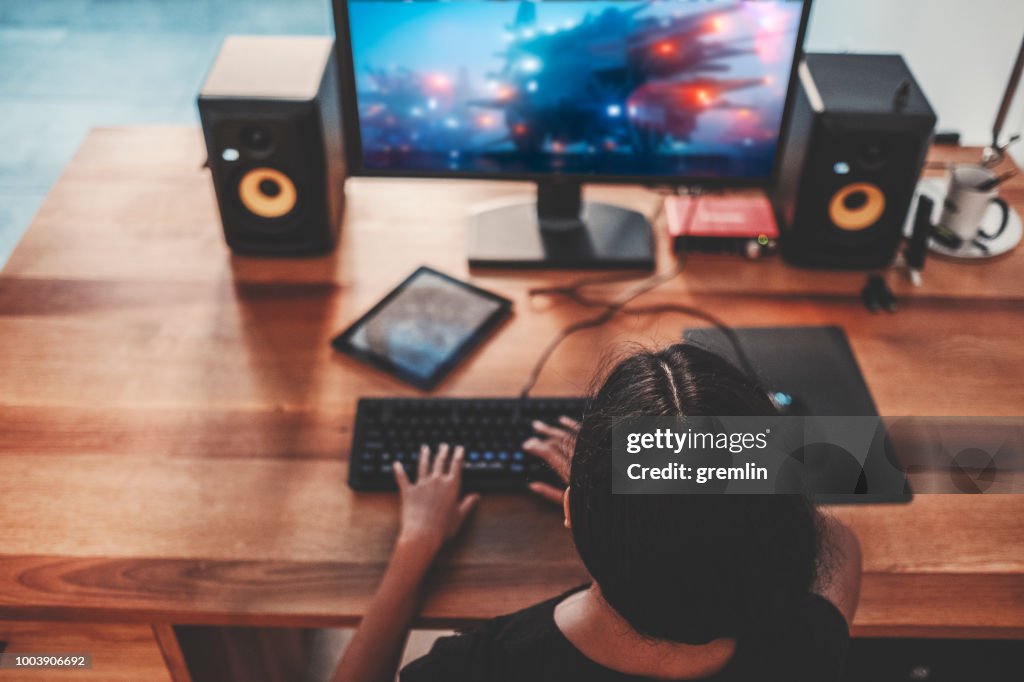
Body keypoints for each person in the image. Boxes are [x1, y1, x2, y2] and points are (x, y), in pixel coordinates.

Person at [332, 344, 862, 682]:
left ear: (570, 510)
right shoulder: (806, 646)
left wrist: (415, 545)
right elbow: (836, 542)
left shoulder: (475, 668)